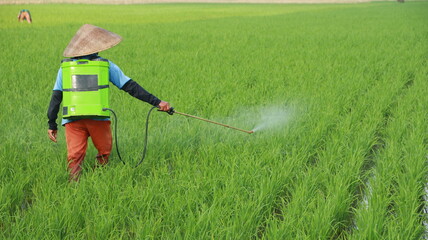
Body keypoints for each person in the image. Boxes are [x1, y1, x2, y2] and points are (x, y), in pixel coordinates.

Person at [47, 24, 170, 181]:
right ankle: (99, 179)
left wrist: (52, 124)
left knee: (74, 157)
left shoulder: (65, 68)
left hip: (72, 119)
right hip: (98, 118)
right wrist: (157, 102)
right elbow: (130, 87)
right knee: (104, 152)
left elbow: (56, 97)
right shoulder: (104, 65)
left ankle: (74, 186)